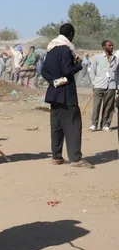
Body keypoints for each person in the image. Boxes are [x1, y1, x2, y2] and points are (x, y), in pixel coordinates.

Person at [41, 23, 92, 168]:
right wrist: (79, 65)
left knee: (56, 126)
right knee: (73, 124)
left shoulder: (51, 49)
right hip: (66, 95)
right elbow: (67, 70)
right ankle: (75, 158)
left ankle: (56, 156)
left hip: (54, 92)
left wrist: (55, 82)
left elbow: (44, 71)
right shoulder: (65, 50)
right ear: (70, 35)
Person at [88, 40, 117, 132]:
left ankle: (106, 124)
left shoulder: (116, 59)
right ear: (104, 47)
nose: (111, 47)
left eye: (112, 45)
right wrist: (94, 83)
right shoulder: (97, 58)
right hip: (99, 85)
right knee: (96, 105)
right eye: (109, 45)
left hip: (111, 85)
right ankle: (94, 124)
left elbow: (118, 73)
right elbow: (92, 72)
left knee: (109, 106)